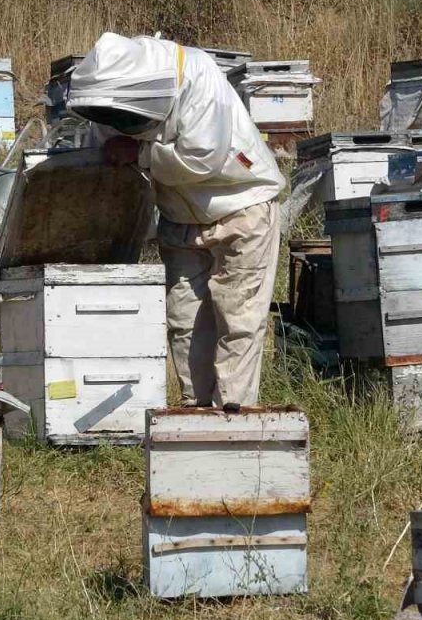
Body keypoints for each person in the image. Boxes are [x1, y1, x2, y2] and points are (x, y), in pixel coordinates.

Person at [66, 32, 285, 408]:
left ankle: (235, 417)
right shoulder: (106, 98)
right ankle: (194, 416)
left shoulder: (196, 75)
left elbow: (204, 158)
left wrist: (140, 152)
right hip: (178, 219)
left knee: (238, 321)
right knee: (184, 323)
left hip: (241, 205)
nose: (114, 123)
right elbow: (106, 157)